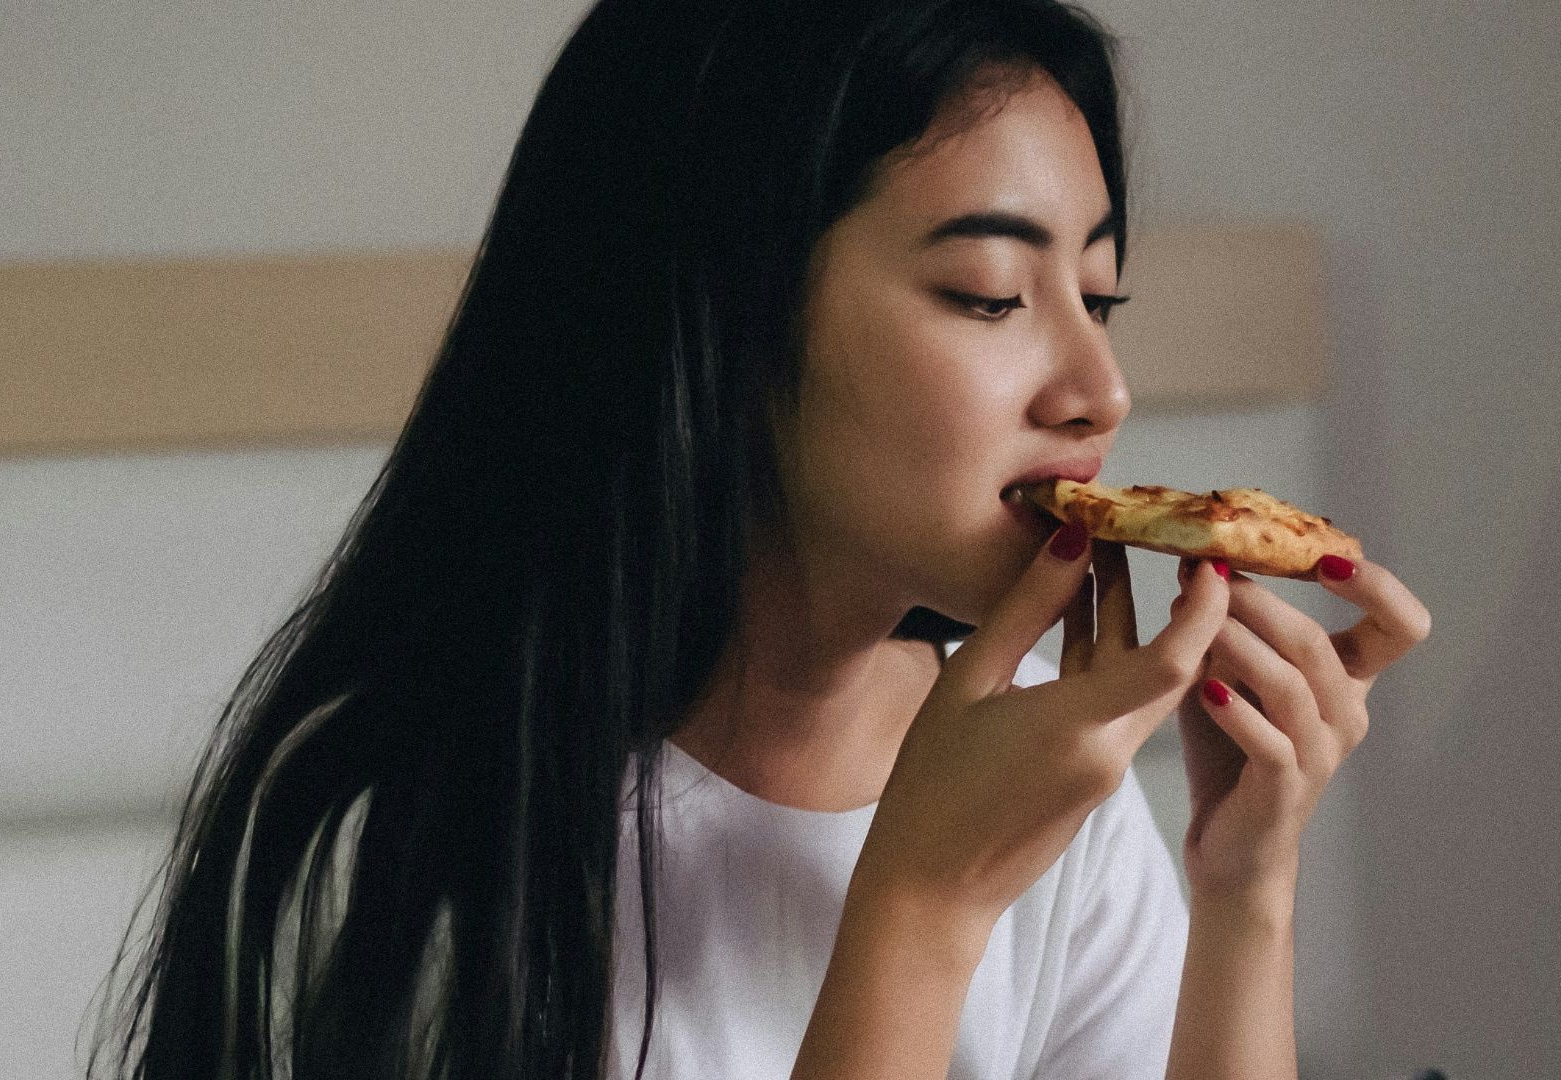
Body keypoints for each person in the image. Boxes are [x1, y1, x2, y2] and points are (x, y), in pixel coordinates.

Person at [86, 1, 1431, 1078]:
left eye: (1099, 295)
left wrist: (1244, 892)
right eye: (990, 294)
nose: (1102, 392)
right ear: (727, 317)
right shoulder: (400, 839)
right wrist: (918, 909)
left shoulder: (1042, 772)